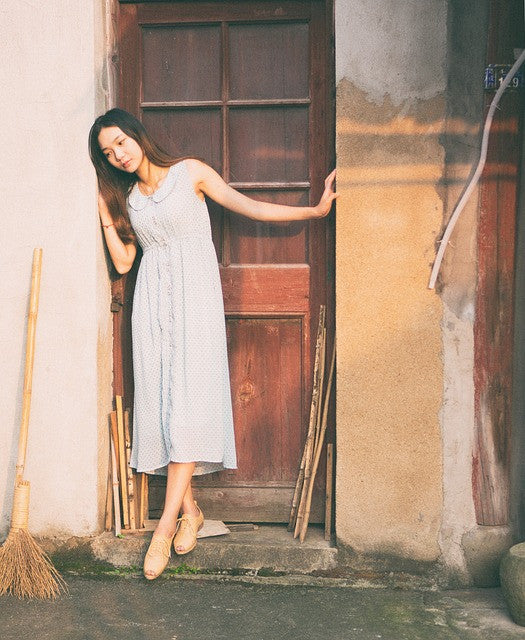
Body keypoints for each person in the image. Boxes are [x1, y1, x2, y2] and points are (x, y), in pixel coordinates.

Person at [89, 108, 337, 580]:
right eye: (107, 152)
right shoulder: (130, 200)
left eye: (120, 142)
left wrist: (314, 210)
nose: (118, 155)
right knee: (163, 407)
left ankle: (164, 527)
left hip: (195, 304)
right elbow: (123, 263)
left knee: (186, 406)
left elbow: (249, 206)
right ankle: (192, 513)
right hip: (151, 311)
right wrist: (105, 214)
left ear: (136, 135)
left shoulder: (191, 174)